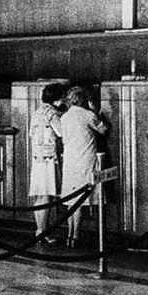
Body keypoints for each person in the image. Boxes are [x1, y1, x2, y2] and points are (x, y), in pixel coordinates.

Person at [58, 85, 110, 246]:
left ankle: (69, 235)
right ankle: (76, 237)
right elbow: (104, 130)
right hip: (85, 160)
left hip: (69, 161)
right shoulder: (88, 115)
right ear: (83, 100)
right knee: (80, 200)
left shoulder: (64, 117)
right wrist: (97, 111)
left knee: (71, 200)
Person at [27, 82, 68, 242]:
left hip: (38, 159)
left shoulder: (37, 112)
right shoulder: (52, 113)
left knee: (40, 195)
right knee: (47, 196)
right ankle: (42, 232)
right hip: (50, 159)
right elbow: (62, 132)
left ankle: (40, 230)